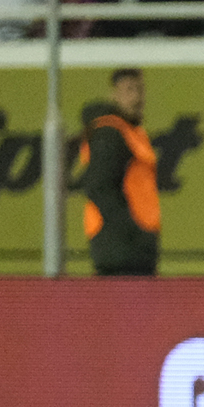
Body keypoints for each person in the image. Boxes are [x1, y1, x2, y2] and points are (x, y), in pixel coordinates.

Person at [80, 68, 160, 276]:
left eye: (140, 90)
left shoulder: (130, 131)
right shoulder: (110, 132)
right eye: (129, 90)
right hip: (119, 246)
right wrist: (130, 231)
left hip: (133, 244)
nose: (137, 97)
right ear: (113, 95)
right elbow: (98, 186)